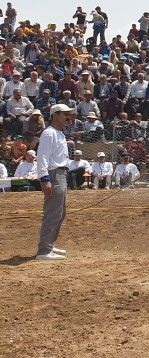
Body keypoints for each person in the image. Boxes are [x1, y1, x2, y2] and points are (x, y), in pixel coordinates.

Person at [34, 104, 76, 261]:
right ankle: (44, 250)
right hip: (53, 175)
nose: (69, 117)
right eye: (65, 114)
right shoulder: (49, 133)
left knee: (60, 212)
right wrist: (44, 179)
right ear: (55, 115)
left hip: (60, 174)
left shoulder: (59, 133)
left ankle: (49, 244)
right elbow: (43, 157)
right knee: (53, 213)